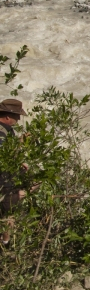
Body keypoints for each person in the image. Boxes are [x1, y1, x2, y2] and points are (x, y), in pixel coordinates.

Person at [0, 99, 28, 246]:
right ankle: (5, 244)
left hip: (6, 180)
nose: (18, 119)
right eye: (17, 116)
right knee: (9, 213)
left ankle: (6, 242)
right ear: (7, 117)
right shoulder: (2, 132)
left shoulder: (5, 130)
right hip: (4, 182)